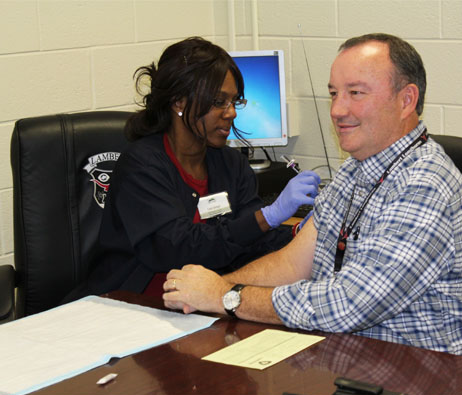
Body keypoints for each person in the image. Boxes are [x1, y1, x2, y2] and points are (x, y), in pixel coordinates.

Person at [162, 33, 462, 355]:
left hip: (425, 375)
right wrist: (206, 294)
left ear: (406, 100)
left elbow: (348, 304)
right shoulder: (355, 169)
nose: (337, 109)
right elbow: (292, 263)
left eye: (355, 93)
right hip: (347, 360)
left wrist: (224, 296)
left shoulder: (425, 188)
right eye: (334, 93)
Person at [67, 37, 320, 300]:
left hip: (199, 299)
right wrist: (267, 216)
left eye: (235, 101)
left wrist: (300, 234)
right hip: (136, 302)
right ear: (179, 102)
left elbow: (250, 240)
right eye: (218, 101)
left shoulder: (231, 164)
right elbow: (177, 247)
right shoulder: (142, 165)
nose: (231, 112)